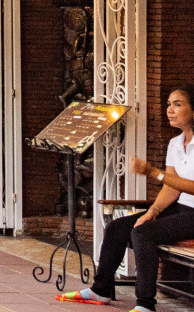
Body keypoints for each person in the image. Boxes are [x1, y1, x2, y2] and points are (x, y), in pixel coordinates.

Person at [64, 86, 194, 311]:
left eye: (178, 104)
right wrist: (153, 211)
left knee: (143, 233)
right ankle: (101, 290)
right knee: (117, 228)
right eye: (168, 104)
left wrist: (153, 172)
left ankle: (145, 304)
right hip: (180, 209)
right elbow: (171, 188)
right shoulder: (175, 143)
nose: (170, 110)